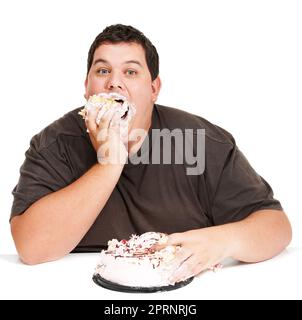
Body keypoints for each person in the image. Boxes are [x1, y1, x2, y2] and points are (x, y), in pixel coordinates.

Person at [10, 24, 292, 283]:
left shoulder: (200, 142)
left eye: (130, 72)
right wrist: (110, 162)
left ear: (154, 88)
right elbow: (31, 248)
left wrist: (225, 240)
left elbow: (275, 226)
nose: (114, 83)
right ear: (87, 87)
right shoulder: (54, 144)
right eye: (102, 71)